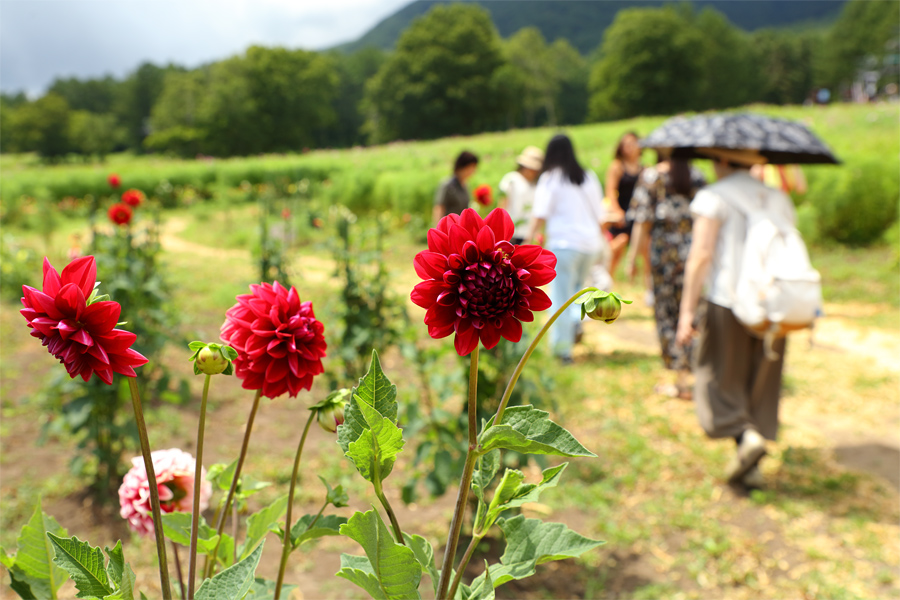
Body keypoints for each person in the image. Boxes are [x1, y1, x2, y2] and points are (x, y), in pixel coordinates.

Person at [675, 148, 796, 489]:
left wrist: (687, 311)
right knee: (759, 380)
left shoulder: (714, 196)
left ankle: (744, 436)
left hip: (728, 300)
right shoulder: (778, 198)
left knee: (717, 377)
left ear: (723, 161)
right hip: (774, 304)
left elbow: (700, 256)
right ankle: (751, 457)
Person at [626, 153, 706, 399]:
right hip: (693, 253)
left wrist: (633, 258)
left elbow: (642, 221)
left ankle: (681, 381)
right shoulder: (697, 176)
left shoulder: (652, 176)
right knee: (692, 311)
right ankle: (699, 377)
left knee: (667, 314)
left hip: (664, 257)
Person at [528, 134, 606, 364]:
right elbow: (599, 213)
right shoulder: (587, 176)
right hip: (590, 245)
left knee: (560, 297)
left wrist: (528, 242)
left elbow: (539, 214)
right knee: (576, 292)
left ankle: (563, 349)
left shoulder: (551, 178)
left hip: (564, 246)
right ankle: (575, 323)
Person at [605, 132, 648, 290]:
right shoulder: (617, 166)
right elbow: (610, 192)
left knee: (647, 251)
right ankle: (606, 283)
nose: (628, 148)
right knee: (617, 248)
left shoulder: (645, 168)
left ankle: (649, 289)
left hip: (639, 214)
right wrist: (617, 211)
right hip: (621, 214)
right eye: (625, 145)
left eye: (632, 144)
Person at [498, 146, 544, 244]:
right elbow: (503, 205)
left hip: (528, 235)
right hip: (510, 233)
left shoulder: (536, 185)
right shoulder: (512, 179)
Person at [433, 151, 479, 224]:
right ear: (463, 166)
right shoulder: (447, 185)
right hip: (449, 227)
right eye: (472, 167)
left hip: (461, 227)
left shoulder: (466, 185)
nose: (473, 171)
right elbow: (439, 207)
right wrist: (438, 227)